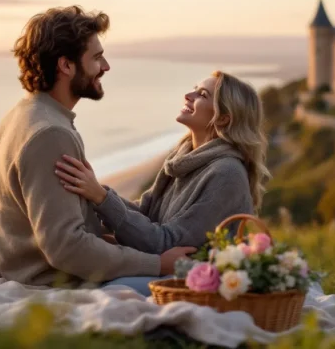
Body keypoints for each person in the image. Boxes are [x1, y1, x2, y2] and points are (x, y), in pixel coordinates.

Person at [0, 5, 195, 288]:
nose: (105, 67)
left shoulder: (22, 114)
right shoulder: (51, 134)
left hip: (24, 269)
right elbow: (66, 247)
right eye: (96, 58)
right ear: (66, 65)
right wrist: (157, 264)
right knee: (185, 283)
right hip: (53, 283)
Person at [54, 70, 271, 295]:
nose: (188, 95)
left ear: (224, 118)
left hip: (197, 280)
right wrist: (94, 197)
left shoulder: (226, 174)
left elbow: (167, 244)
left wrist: (101, 198)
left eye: (202, 95)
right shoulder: (183, 156)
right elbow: (146, 212)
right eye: (194, 89)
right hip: (170, 267)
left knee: (110, 290)